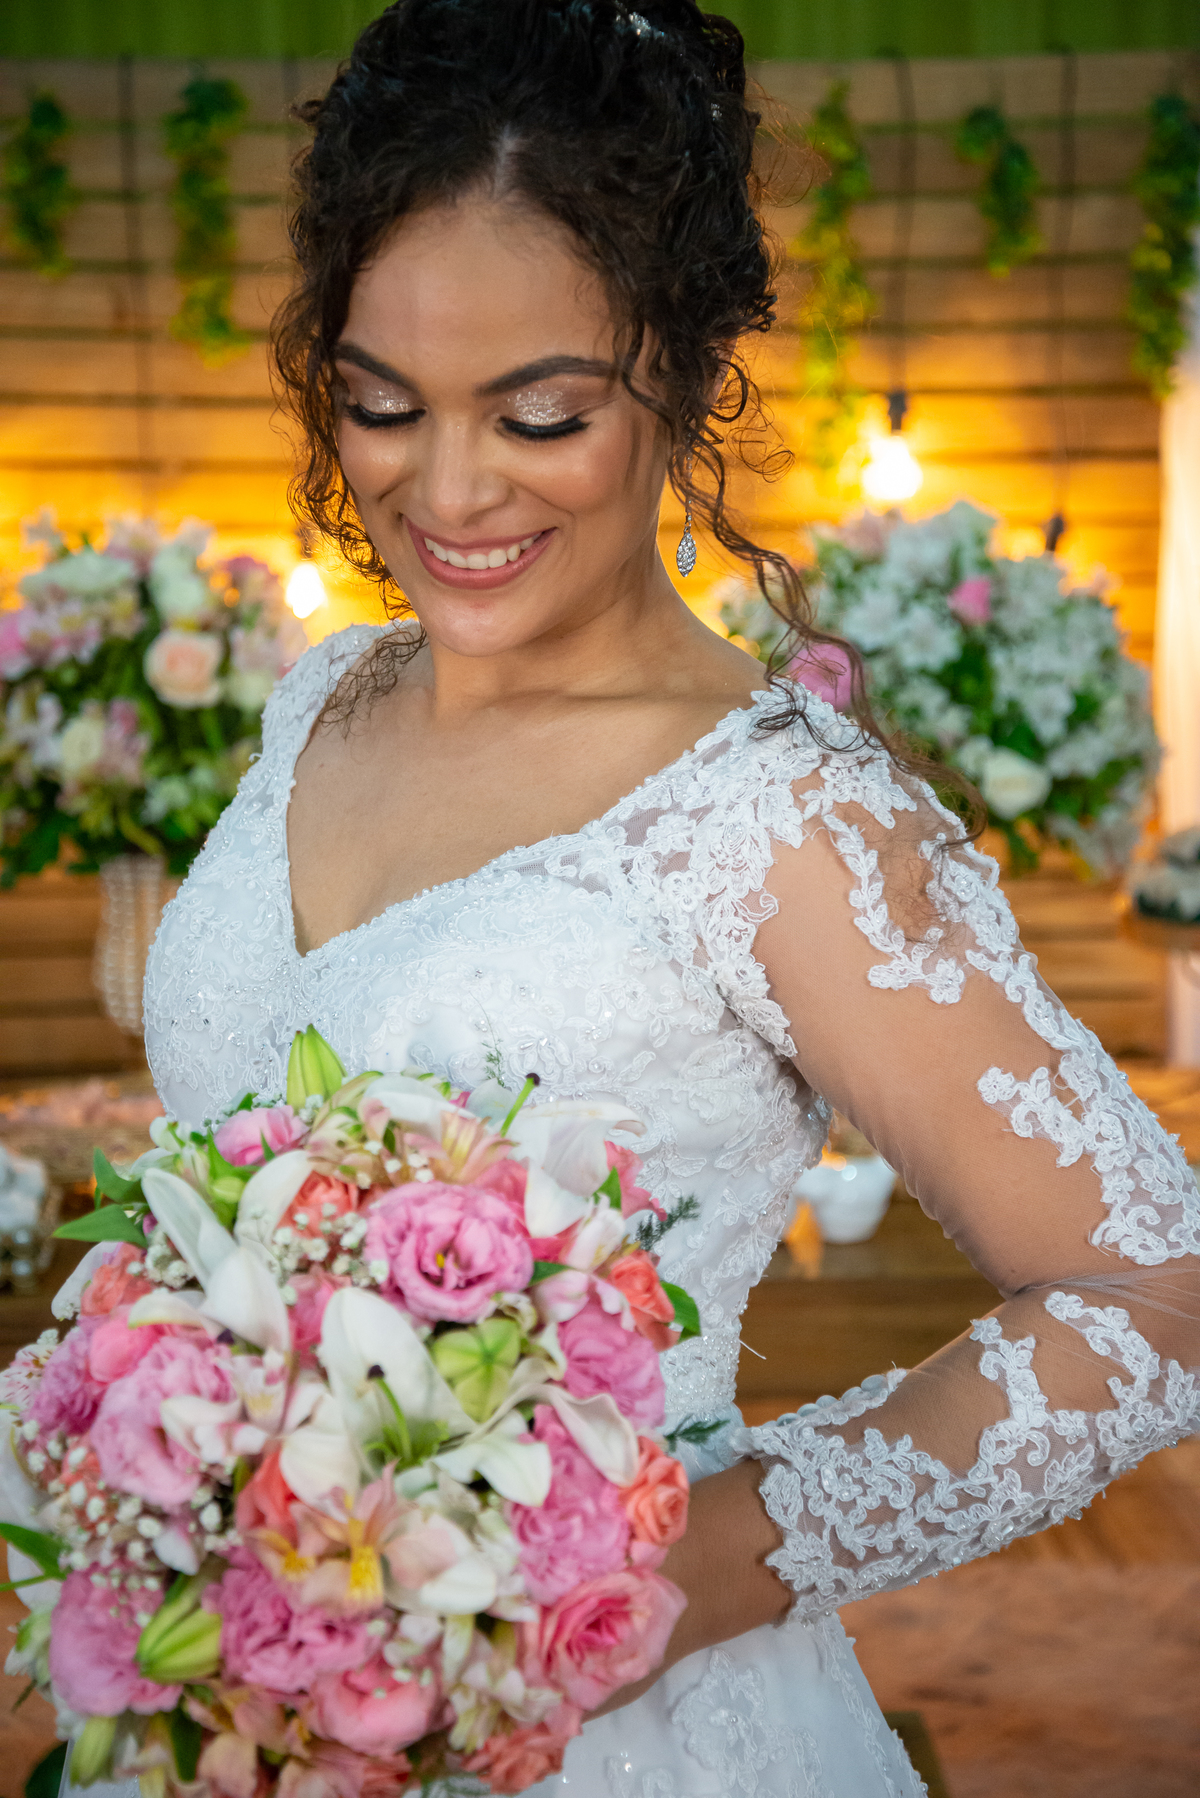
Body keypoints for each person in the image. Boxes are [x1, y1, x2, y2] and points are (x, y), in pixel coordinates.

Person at [125, 3, 1200, 1794]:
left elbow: (1149, 1289)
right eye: (381, 405)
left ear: (683, 376)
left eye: (539, 415)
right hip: (255, 1701)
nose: (445, 489)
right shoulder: (319, 700)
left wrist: (671, 1573)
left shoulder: (778, 813)